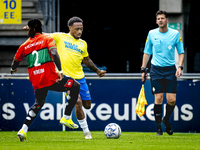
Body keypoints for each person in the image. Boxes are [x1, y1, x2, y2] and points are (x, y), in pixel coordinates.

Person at [24, 17, 106, 139]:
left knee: (87, 105)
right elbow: (44, 35)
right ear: (70, 28)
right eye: (77, 29)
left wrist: (98, 71)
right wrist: (32, 29)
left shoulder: (83, 44)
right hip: (66, 78)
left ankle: (74, 114)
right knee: (77, 102)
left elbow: (87, 61)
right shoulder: (60, 37)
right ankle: (87, 134)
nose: (79, 31)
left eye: (81, 29)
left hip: (80, 78)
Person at [11, 19, 80, 141]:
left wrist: (13, 69)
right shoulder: (47, 38)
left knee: (38, 104)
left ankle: (23, 130)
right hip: (51, 78)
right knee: (75, 86)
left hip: (37, 81)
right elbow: (54, 52)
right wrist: (61, 71)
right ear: (40, 27)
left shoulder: (24, 45)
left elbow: (15, 61)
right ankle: (66, 117)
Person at [141, 10, 184, 135]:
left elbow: (181, 52)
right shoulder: (151, 33)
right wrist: (143, 69)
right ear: (156, 21)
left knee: (171, 100)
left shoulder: (175, 34)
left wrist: (180, 67)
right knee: (158, 98)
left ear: (167, 20)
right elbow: (147, 52)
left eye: (162, 18)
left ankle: (166, 120)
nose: (160, 20)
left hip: (170, 69)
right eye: (158, 18)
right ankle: (159, 128)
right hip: (156, 70)